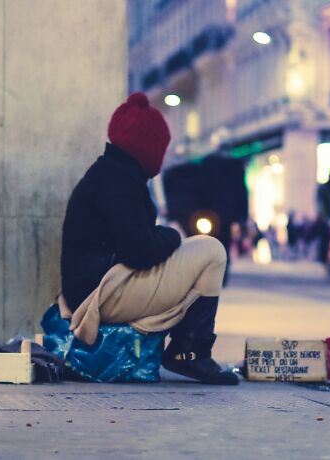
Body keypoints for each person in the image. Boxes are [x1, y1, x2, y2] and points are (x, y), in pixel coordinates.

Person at [59, 93, 238, 385]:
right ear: (148, 145)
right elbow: (140, 251)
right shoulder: (118, 180)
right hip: (99, 296)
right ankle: (189, 352)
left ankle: (188, 349)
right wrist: (172, 235)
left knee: (200, 248)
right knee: (211, 250)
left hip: (99, 286)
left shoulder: (113, 172)